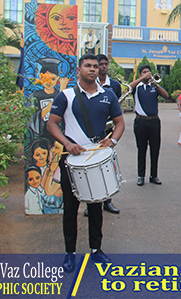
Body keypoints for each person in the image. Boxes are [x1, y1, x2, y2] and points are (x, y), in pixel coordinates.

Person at [47, 53, 125, 272]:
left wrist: (113, 140)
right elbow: (52, 124)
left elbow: (119, 123)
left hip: (96, 159)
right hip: (71, 159)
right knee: (70, 209)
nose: (92, 69)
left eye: (95, 66)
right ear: (79, 70)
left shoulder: (107, 95)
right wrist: (66, 143)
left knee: (96, 206)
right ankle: (70, 253)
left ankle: (96, 250)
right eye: (87, 66)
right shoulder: (66, 95)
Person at [84, 54, 121, 215]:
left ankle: (108, 200)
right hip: (90, 131)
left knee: (107, 166)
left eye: (105, 64)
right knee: (88, 167)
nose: (103, 67)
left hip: (108, 131)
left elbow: (116, 111)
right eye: (101, 64)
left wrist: (113, 137)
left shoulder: (114, 85)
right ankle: (89, 203)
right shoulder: (88, 84)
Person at [129, 64, 169, 186]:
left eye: (149, 72)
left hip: (154, 122)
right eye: (144, 72)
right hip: (141, 121)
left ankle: (154, 176)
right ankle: (141, 176)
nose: (148, 74)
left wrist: (155, 83)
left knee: (155, 149)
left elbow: (166, 96)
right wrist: (142, 79)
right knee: (141, 149)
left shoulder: (154, 86)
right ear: (140, 74)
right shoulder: (138, 87)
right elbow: (128, 87)